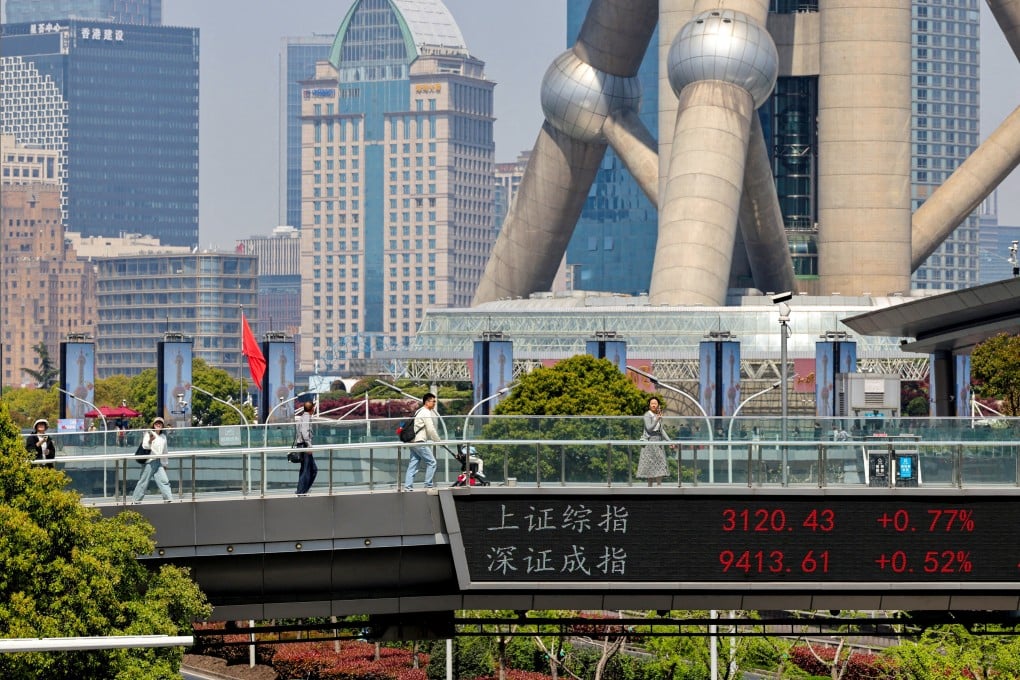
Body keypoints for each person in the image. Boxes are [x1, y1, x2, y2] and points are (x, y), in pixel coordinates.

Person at [132, 417, 174, 502]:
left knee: (164, 481)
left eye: (160, 423)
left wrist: (165, 464)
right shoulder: (149, 433)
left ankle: (169, 500)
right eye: (156, 423)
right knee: (143, 482)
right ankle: (135, 501)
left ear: (162, 425)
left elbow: (165, 451)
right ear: (154, 425)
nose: (158, 425)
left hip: (158, 462)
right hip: (149, 462)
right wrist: (150, 441)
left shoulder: (163, 437)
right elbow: (145, 446)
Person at [405, 393, 440, 490]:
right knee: (432, 462)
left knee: (413, 463)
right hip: (419, 441)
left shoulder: (419, 411)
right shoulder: (426, 412)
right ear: (427, 402)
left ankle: (408, 486)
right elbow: (430, 428)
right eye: (433, 401)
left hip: (412, 441)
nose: (434, 403)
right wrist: (437, 440)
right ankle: (428, 485)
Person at [637, 397, 670, 486]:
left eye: (655, 403)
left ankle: (659, 486)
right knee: (650, 465)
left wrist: (669, 441)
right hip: (649, 442)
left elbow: (661, 430)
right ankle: (650, 486)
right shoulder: (647, 415)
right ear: (649, 405)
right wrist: (657, 419)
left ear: (658, 405)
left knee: (660, 463)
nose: (653, 405)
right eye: (652, 403)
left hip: (658, 441)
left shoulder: (658, 415)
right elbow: (649, 428)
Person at [295, 401, 317, 494]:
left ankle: (302, 490)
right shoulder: (306, 417)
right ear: (312, 409)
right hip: (305, 445)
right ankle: (301, 491)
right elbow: (305, 432)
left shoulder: (303, 417)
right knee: (308, 470)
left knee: (309, 469)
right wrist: (309, 446)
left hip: (302, 445)